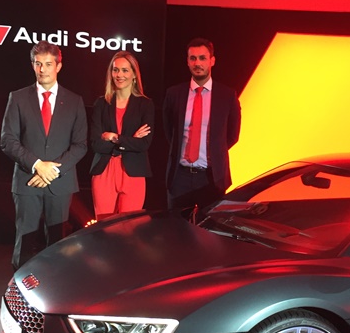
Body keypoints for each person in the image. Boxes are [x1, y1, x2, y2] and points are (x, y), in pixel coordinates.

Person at [0, 40, 88, 270]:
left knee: (59, 245)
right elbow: (7, 140)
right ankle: (20, 288)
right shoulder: (18, 98)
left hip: (60, 182)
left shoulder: (74, 101)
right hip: (27, 180)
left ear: (58, 66)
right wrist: (38, 165)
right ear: (32, 65)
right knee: (24, 241)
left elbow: (80, 145)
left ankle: (56, 288)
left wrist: (52, 171)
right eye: (38, 64)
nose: (42, 69)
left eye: (48, 64)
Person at [163, 37, 241, 214]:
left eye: (202, 58)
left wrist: (213, 151)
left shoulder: (227, 95)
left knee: (209, 229)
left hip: (211, 178)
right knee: (177, 227)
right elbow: (169, 132)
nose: (197, 63)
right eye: (193, 58)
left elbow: (232, 136)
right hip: (179, 178)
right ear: (187, 61)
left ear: (212, 61)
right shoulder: (174, 94)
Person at [89, 51, 154, 219]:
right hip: (104, 171)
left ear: (134, 74)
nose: (119, 75)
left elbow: (144, 144)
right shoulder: (101, 103)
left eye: (125, 70)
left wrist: (114, 137)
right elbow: (96, 143)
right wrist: (130, 139)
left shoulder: (145, 105)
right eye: (115, 70)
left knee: (129, 228)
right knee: (103, 227)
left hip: (133, 172)